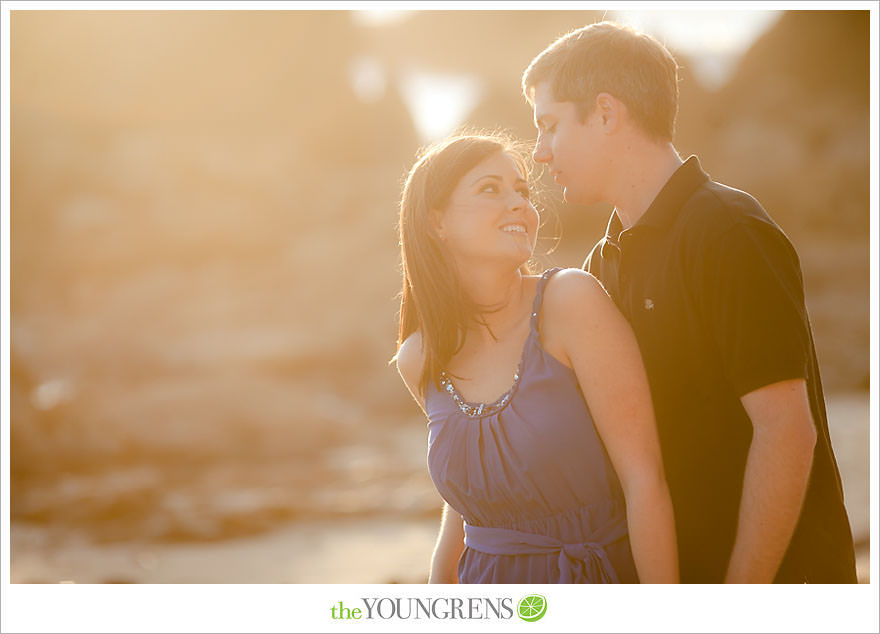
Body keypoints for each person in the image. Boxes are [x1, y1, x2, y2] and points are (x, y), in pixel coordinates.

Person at [522, 21, 857, 583]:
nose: (538, 152)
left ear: (605, 113)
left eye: (550, 126)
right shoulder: (602, 264)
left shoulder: (728, 231)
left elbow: (787, 433)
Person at [393, 133, 678, 584]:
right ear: (436, 222)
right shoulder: (420, 357)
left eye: (522, 192)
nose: (519, 204)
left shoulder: (570, 302)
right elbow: (463, 516)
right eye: (490, 189)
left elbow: (645, 480)